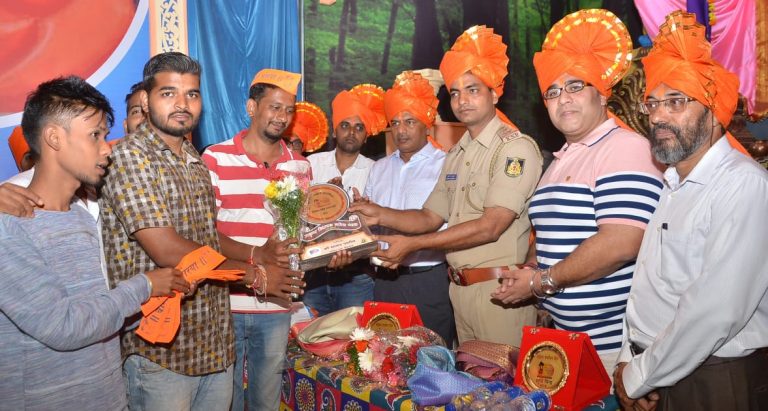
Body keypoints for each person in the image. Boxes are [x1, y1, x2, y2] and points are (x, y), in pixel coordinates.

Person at [99, 52, 294, 410]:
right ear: (145, 99)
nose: (182, 104)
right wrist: (254, 275)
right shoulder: (130, 157)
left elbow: (207, 238)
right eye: (168, 93)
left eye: (192, 94)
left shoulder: (194, 160)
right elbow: (168, 249)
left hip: (214, 346)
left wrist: (256, 255)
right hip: (162, 350)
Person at [491, 9, 664, 376]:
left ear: (602, 95)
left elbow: (622, 242)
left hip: (613, 349)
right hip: (564, 341)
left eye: (575, 86)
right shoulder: (559, 160)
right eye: (553, 92)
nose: (563, 99)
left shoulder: (625, 148)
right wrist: (530, 271)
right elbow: (555, 238)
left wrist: (541, 283)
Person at [0, 75, 189, 410]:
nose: (107, 148)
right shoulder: (10, 225)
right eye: (95, 136)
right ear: (54, 138)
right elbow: (63, 326)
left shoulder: (81, 217)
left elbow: (99, 316)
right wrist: (144, 286)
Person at [613, 12, 768, 411]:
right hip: (662, 370)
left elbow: (716, 311)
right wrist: (632, 358)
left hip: (714, 378)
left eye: (676, 101)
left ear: (715, 112)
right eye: (653, 103)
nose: (659, 116)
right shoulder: (674, 182)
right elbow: (651, 286)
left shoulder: (743, 183)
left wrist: (638, 375)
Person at [352, 26, 542, 346]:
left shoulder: (514, 149)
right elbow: (429, 216)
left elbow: (490, 226)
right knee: (465, 391)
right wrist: (379, 213)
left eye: (472, 89)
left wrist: (411, 246)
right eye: (454, 92)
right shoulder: (456, 154)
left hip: (499, 292)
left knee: (502, 393)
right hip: (459, 292)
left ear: (495, 93)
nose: (462, 100)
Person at [202, 68, 314, 411]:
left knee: (266, 400)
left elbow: (302, 235)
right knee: (226, 401)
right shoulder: (216, 158)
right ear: (252, 107)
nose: (282, 117)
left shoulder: (300, 166)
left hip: (277, 305)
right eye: (274, 107)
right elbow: (205, 235)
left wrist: (327, 251)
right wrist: (257, 255)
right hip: (226, 303)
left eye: (289, 110)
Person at [364, 70, 455, 345]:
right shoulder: (378, 168)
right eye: (395, 122)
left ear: (428, 124)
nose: (401, 130)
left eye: (409, 121)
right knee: (381, 362)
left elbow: (443, 222)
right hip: (384, 281)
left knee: (433, 362)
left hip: (428, 281)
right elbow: (367, 225)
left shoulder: (446, 165)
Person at [303, 84, 387, 316]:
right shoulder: (311, 164)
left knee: (355, 343)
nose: (351, 132)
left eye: (359, 127)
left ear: (366, 135)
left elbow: (379, 223)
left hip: (357, 277)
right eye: (345, 126)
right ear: (334, 131)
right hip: (313, 277)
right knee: (310, 339)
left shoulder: (376, 170)